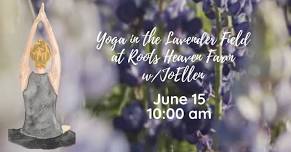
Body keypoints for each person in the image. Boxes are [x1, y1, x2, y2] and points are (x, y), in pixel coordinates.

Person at [19, 3, 69, 139]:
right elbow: (57, 52)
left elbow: (24, 54)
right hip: (50, 133)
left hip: (29, 132)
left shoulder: (25, 77)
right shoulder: (53, 79)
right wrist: (45, 21)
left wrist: (35, 23)